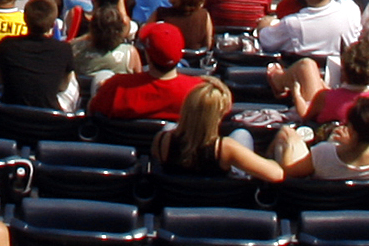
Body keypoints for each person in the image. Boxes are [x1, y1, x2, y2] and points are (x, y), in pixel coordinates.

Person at [153, 80, 293, 183]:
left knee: (168, 127)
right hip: (219, 207)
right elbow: (277, 175)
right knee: (241, 135)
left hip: (176, 206)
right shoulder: (226, 149)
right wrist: (279, 151)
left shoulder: (161, 140)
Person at [90, 22, 203, 123]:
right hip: (175, 146)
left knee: (102, 75)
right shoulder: (199, 92)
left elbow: (93, 111)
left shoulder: (116, 87)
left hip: (122, 143)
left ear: (148, 56)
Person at [0, 0, 79, 111]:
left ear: (25, 20)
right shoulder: (64, 49)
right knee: (72, 79)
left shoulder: (7, 44)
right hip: (50, 118)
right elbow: (63, 86)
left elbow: (0, 79)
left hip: (9, 115)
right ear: (53, 24)